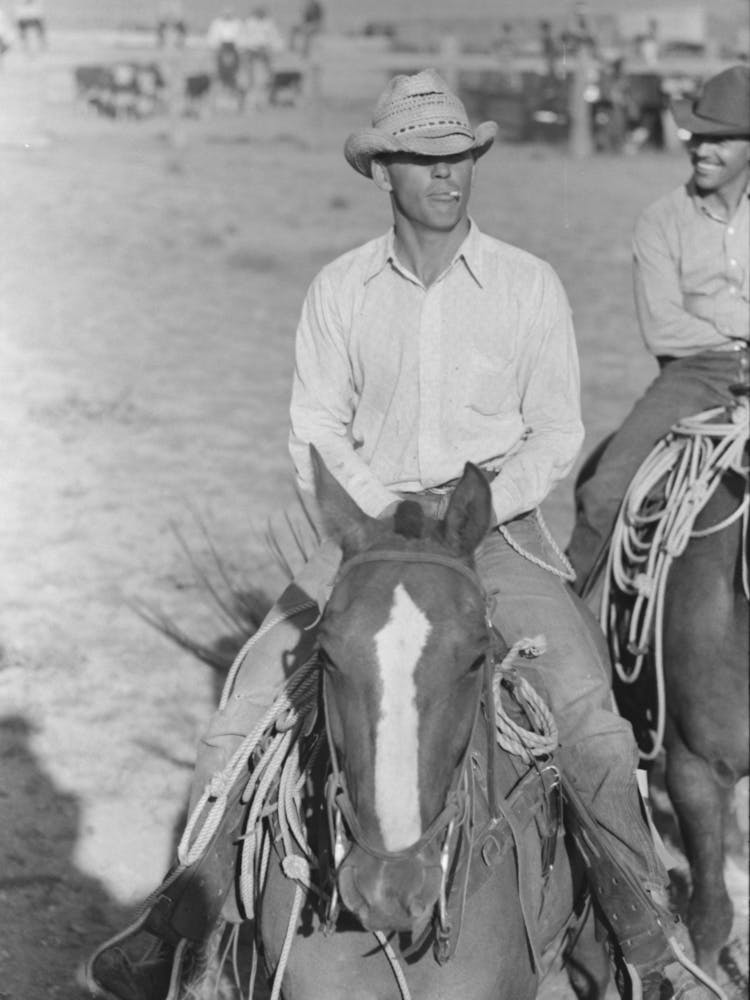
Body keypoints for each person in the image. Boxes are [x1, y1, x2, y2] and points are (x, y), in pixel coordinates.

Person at [89, 69, 711, 1000]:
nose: (447, 174)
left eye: (459, 155)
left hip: (491, 532)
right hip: (365, 535)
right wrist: (381, 519)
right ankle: (191, 933)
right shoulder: (340, 289)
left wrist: (475, 512)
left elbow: (557, 431)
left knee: (591, 724)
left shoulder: (526, 285)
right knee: (246, 708)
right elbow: (315, 430)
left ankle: (646, 942)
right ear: (383, 171)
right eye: (424, 159)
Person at [568, 64, 750, 593]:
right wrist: (740, 323)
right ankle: (562, 629)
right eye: (698, 138)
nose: (702, 150)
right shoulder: (661, 220)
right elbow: (664, 330)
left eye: (721, 140)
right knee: (605, 492)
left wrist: (706, 309)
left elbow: (685, 314)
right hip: (692, 376)